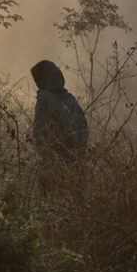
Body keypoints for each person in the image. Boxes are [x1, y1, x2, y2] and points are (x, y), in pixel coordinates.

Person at [30, 59, 89, 188]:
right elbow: (84, 129)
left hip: (54, 166)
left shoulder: (45, 99)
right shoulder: (70, 99)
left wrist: (46, 159)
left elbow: (40, 134)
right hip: (77, 165)